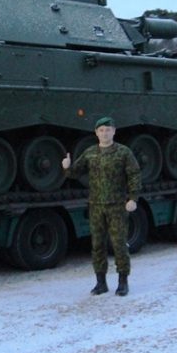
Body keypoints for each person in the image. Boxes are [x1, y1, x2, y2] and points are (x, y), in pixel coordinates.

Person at [62, 116, 141, 296]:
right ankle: (100, 283)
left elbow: (134, 175)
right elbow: (76, 172)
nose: (105, 133)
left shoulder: (123, 152)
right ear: (96, 133)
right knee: (97, 245)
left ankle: (123, 282)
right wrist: (67, 168)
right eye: (101, 130)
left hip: (117, 206)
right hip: (96, 205)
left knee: (119, 244)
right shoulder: (90, 152)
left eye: (108, 129)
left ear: (114, 131)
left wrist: (133, 199)